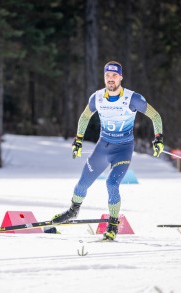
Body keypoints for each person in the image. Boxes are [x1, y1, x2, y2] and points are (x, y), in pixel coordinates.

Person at [52, 61, 164, 240]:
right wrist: (78, 140)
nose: (110, 79)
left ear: (121, 77)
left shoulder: (133, 98)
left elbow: (155, 115)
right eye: (107, 76)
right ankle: (73, 210)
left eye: (114, 75)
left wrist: (158, 139)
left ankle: (113, 224)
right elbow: (84, 117)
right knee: (82, 183)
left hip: (123, 149)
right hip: (103, 147)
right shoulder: (96, 97)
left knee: (112, 184)